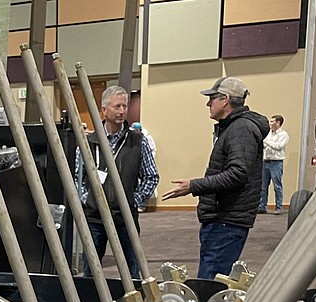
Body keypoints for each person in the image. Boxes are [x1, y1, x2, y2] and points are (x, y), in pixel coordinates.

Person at [162, 76, 268, 280]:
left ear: (225, 100)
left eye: (212, 98)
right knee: (212, 279)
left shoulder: (241, 129)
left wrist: (194, 186)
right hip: (224, 220)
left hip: (226, 220)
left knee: (209, 284)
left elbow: (238, 174)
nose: (208, 103)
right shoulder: (235, 128)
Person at [77, 86, 158, 280]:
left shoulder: (138, 142)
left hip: (125, 218)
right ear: (104, 110)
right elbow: (77, 177)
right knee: (91, 271)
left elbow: (151, 176)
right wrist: (86, 199)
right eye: (117, 106)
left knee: (132, 270)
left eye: (125, 106)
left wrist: (134, 200)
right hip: (95, 218)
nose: (122, 111)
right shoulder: (89, 142)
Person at [258, 115, 288, 215]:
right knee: (263, 186)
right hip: (266, 161)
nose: (270, 124)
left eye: (272, 121)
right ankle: (262, 206)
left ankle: (278, 207)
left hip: (276, 162)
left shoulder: (283, 135)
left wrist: (267, 142)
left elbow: (279, 146)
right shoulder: (268, 134)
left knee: (277, 186)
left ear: (278, 123)